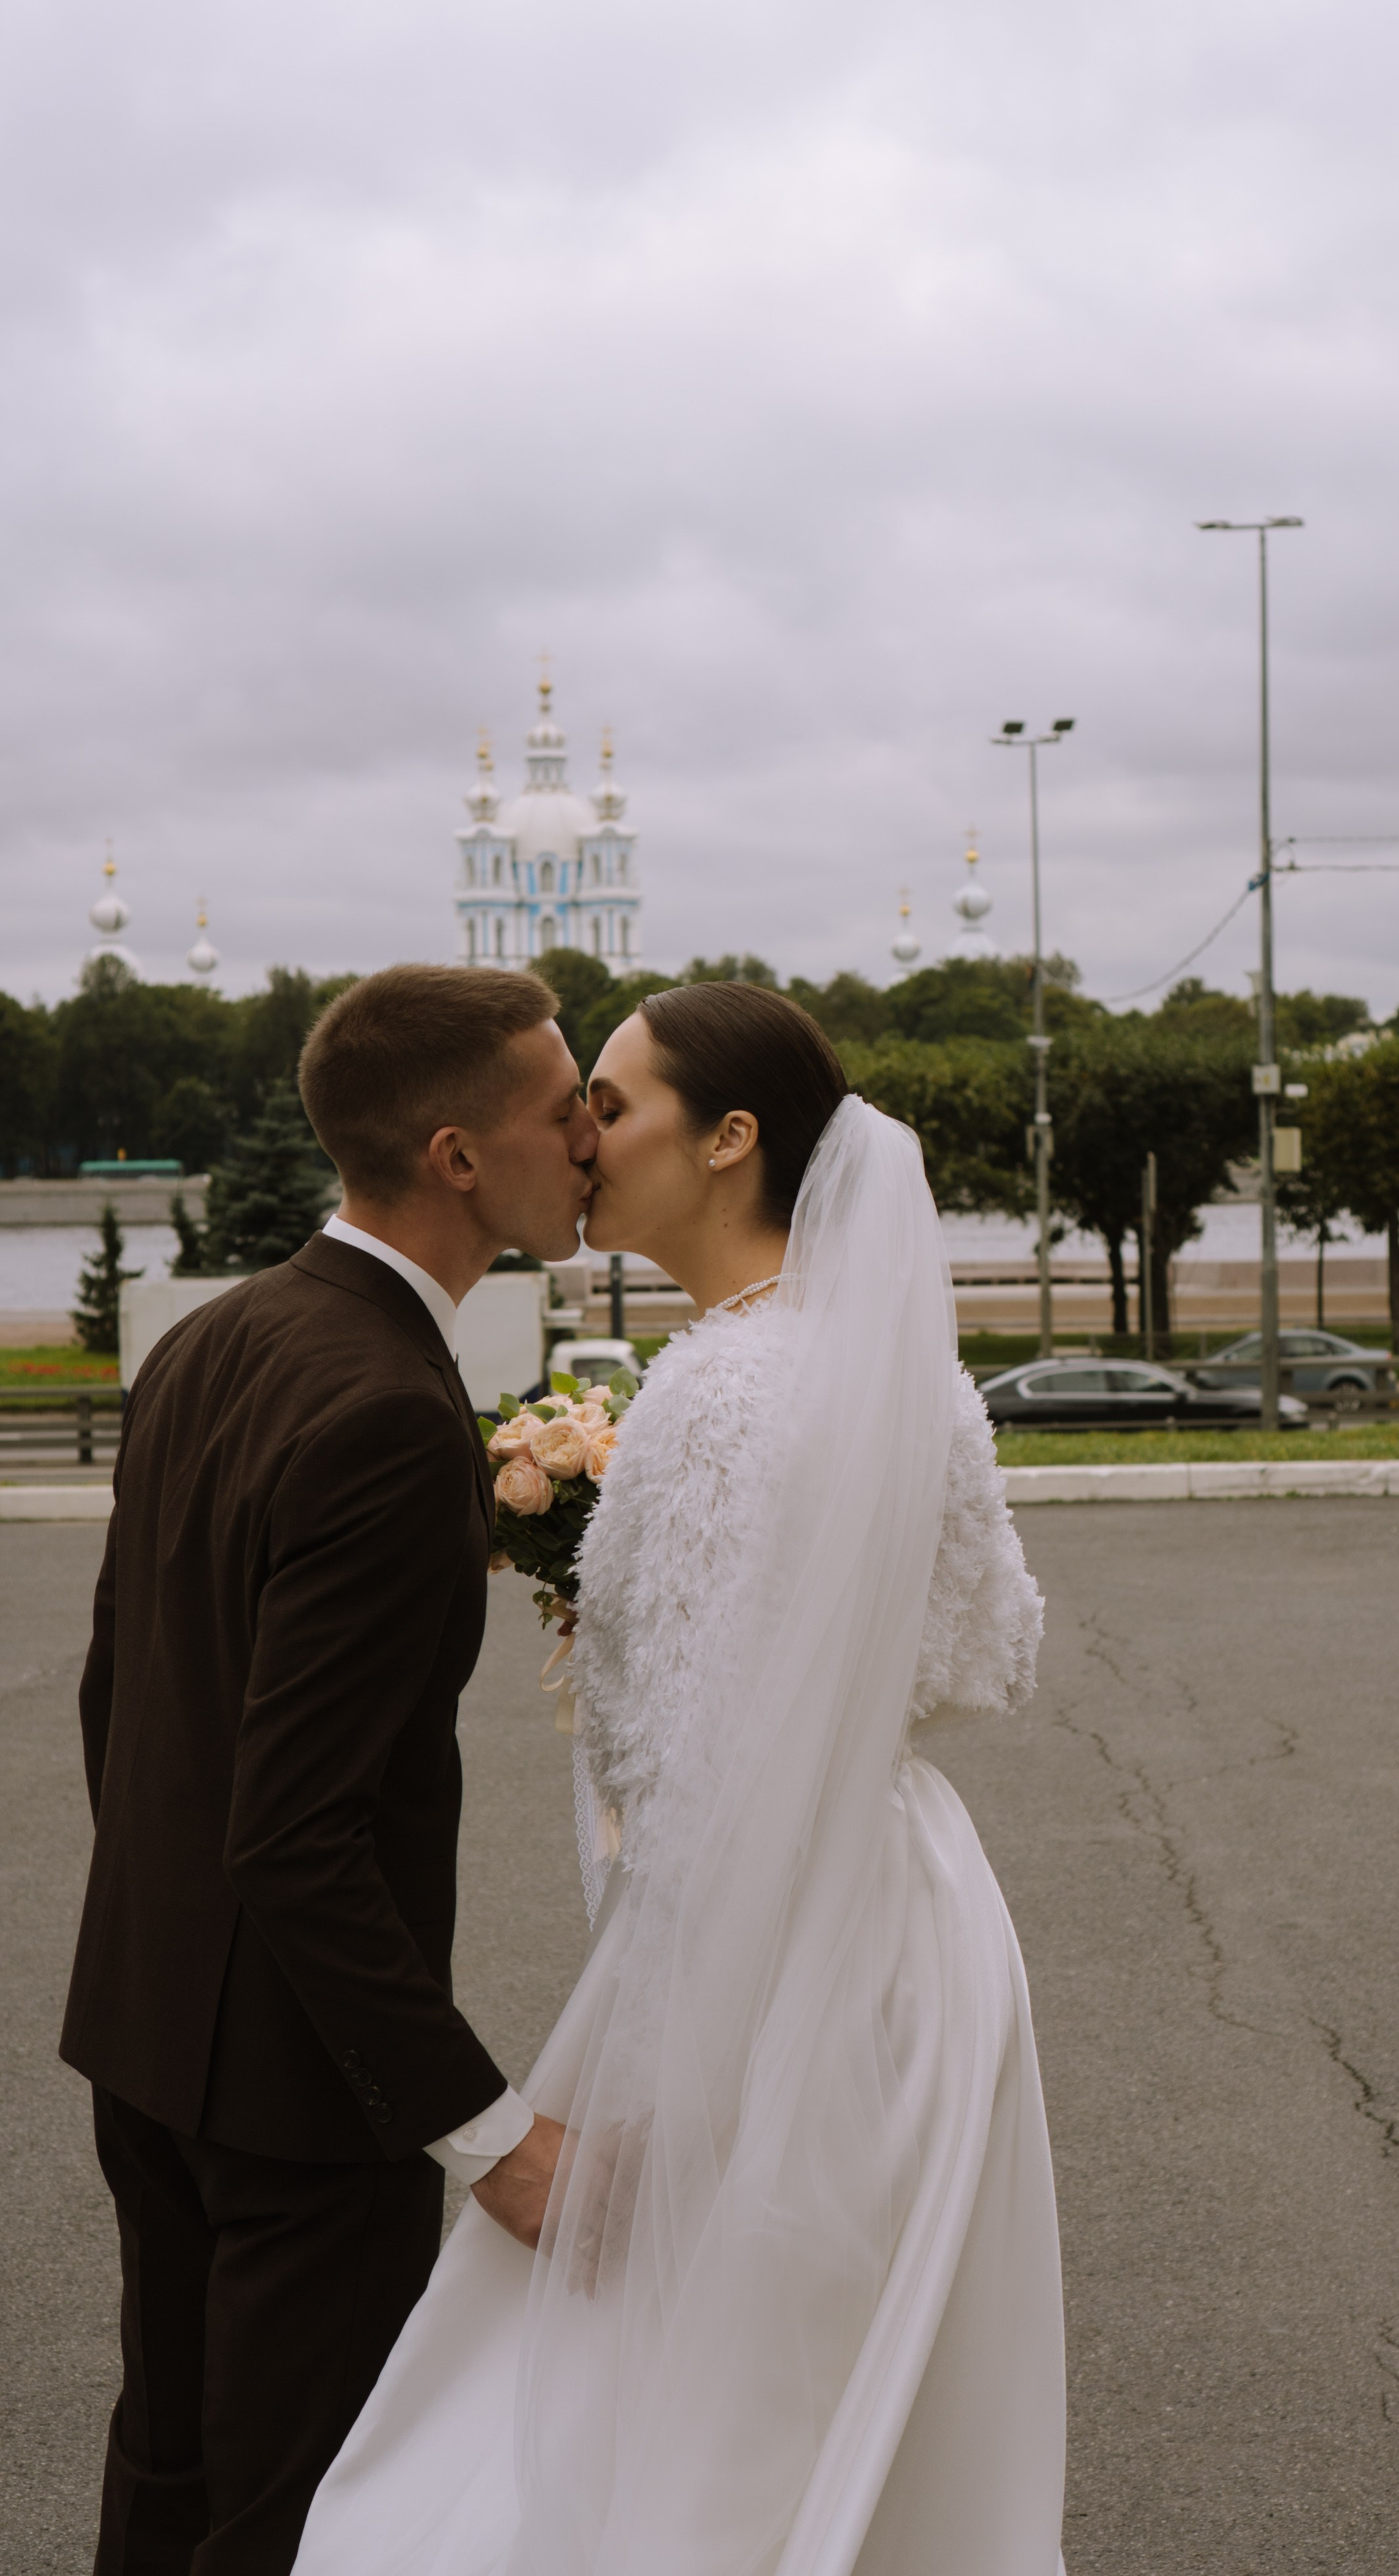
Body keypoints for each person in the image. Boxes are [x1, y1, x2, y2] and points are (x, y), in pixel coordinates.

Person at [295, 981, 1066, 2576]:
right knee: (851, 2385)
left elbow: (695, 1773)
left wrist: (676, 2044)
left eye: (616, 1105)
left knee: (652, 2396)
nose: (583, 1135)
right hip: (917, 1917)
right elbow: (989, 1656)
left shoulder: (711, 1394)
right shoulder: (896, 1365)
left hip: (766, 1951)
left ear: (730, 1143)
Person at [61, 965, 597, 2574]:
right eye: (562, 1107)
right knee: (296, 2521)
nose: (588, 1137)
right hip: (298, 2104)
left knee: (170, 2478)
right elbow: (298, 1831)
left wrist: (176, 1966)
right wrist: (488, 2137)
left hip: (150, 2034)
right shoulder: (381, 1407)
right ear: (455, 1155)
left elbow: (121, 1701)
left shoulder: (221, 1340)